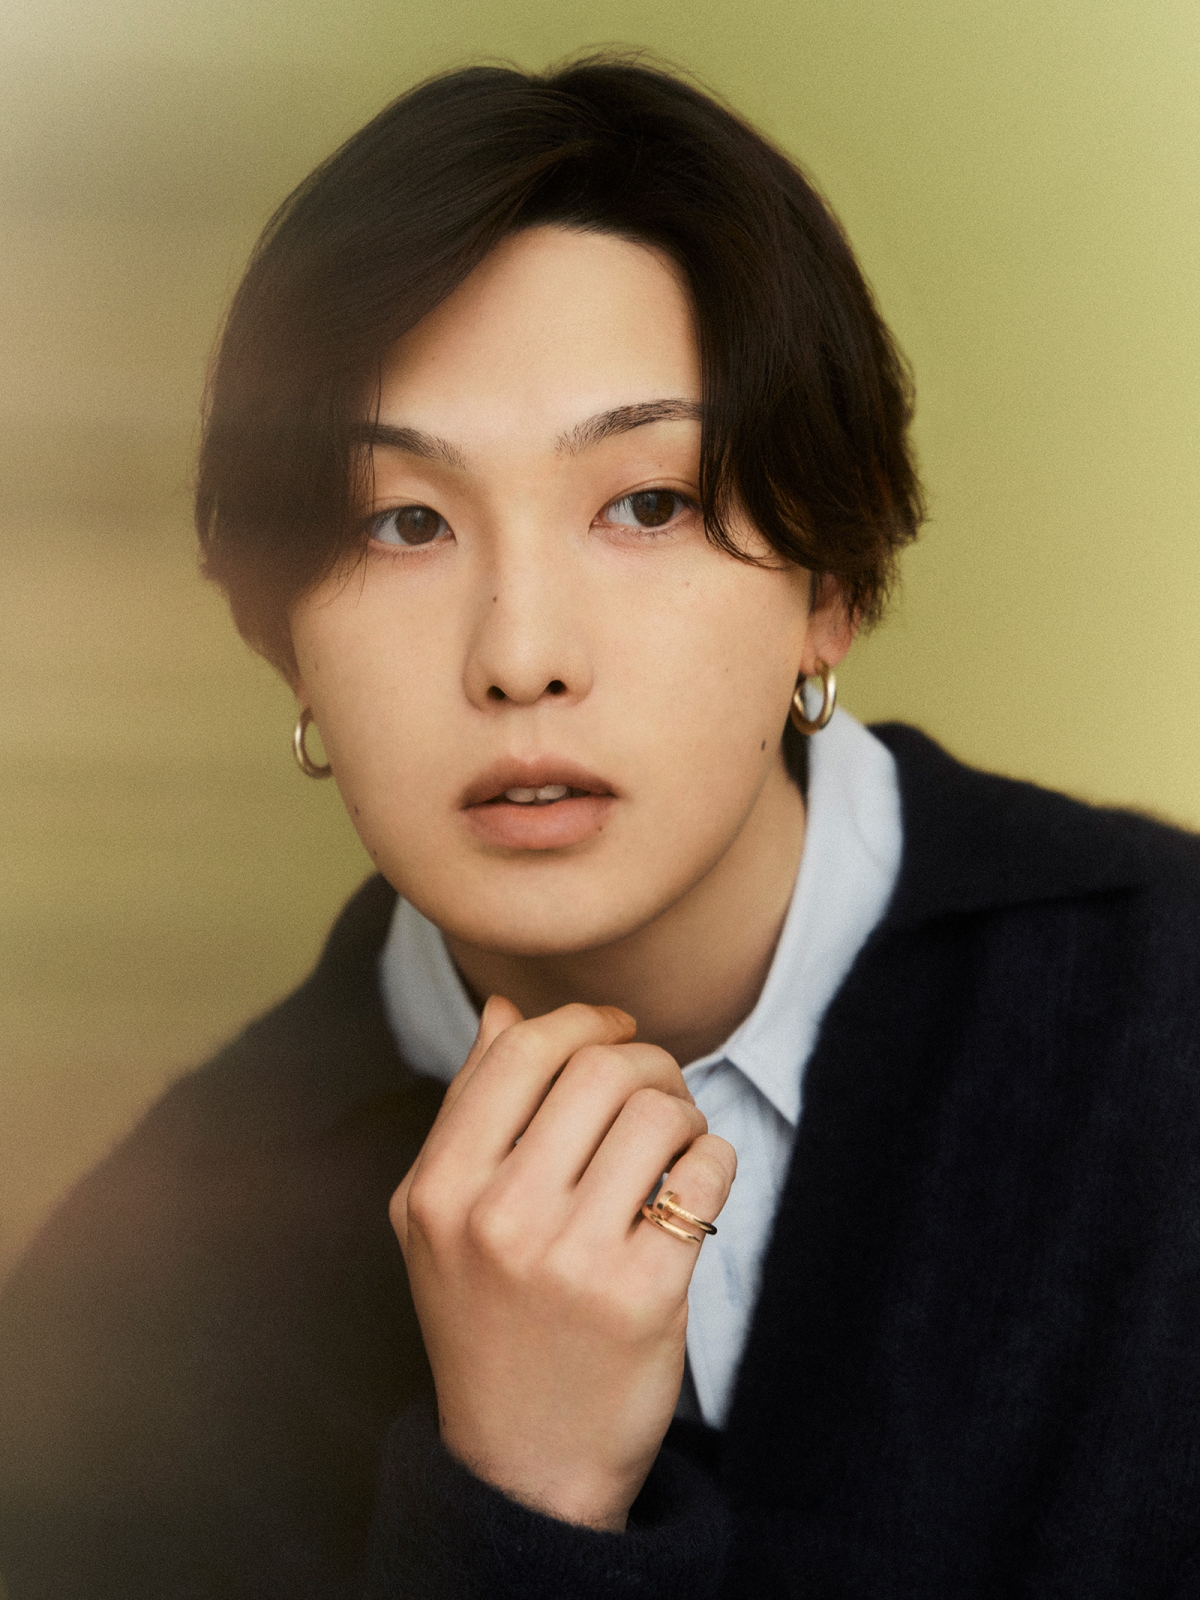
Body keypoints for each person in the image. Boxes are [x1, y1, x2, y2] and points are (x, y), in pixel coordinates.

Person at [2, 55, 1199, 1600]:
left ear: (831, 588)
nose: (523, 655)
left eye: (646, 506)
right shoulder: (133, 1320)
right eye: (406, 522)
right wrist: (524, 1501)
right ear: (282, 637)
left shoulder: (1164, 1019)